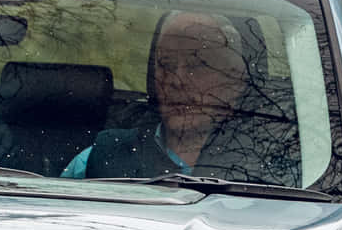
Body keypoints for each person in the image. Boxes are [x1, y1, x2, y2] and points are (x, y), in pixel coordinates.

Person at [61, 10, 295, 184]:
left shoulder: (281, 165)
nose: (177, 79)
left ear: (237, 80)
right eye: (166, 64)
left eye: (198, 64)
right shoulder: (99, 158)